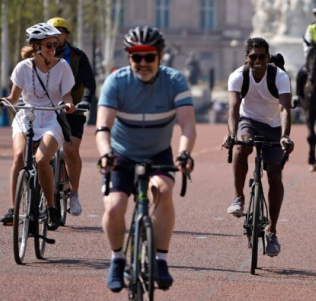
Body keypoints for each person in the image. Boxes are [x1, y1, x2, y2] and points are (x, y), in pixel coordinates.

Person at [95, 26, 196, 293]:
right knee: (115, 206)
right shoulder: (116, 81)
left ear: (160, 57)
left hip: (158, 151)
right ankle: (117, 260)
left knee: (163, 191)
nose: (142, 63)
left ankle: (160, 261)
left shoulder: (175, 80)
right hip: (121, 153)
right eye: (135, 57)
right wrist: (106, 153)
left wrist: (184, 153)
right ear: (128, 58)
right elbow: (102, 127)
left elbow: (187, 126)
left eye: (148, 57)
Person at [222, 37, 294, 257]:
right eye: (253, 57)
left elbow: (284, 109)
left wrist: (285, 136)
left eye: (262, 56)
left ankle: (272, 232)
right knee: (240, 148)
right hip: (249, 121)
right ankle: (239, 198)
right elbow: (234, 109)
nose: (258, 61)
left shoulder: (280, 77)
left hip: (273, 126)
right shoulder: (238, 76)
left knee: (274, 175)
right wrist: (232, 135)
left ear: (268, 57)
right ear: (247, 58)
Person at [0, 23, 76, 230]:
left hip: (51, 119)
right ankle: (14, 209)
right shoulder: (23, 68)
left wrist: (68, 104)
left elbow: (67, 95)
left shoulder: (63, 67)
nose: (53, 49)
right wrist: (4, 100)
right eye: (48, 45)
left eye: (55, 45)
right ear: (36, 47)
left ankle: (51, 208)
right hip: (26, 116)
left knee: (43, 160)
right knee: (18, 157)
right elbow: (14, 98)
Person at [47, 17, 97, 217]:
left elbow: (89, 82)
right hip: (46, 110)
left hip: (72, 110)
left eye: (60, 31)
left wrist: (84, 101)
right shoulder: (39, 54)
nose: (56, 35)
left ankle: (74, 194)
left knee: (69, 150)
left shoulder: (77, 56)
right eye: (52, 31)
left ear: (67, 35)